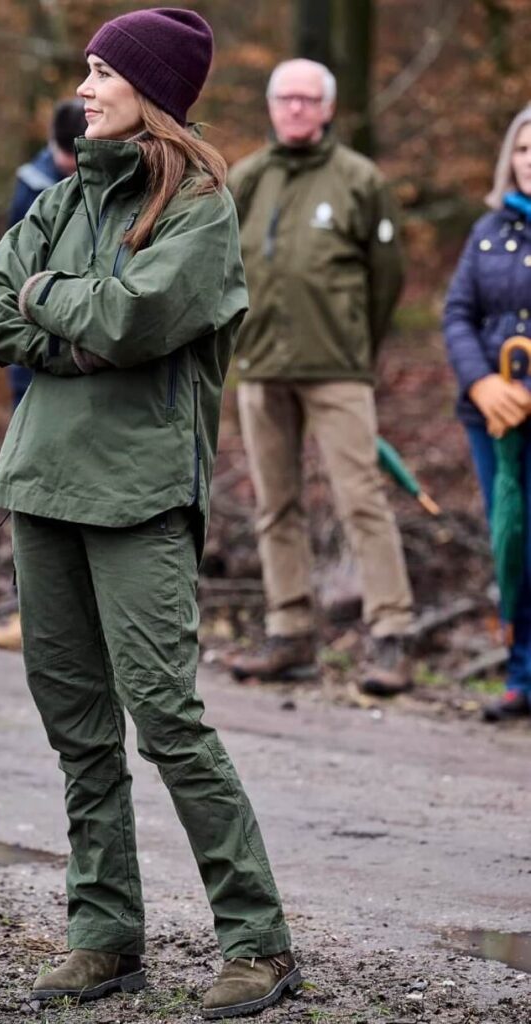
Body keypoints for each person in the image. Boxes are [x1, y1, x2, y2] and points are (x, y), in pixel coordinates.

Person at [0, 9, 299, 1019]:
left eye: (103, 70)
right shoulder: (66, 193)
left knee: (165, 719)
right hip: (41, 484)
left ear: (149, 90)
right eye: (88, 67)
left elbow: (138, 315)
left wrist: (54, 306)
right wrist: (72, 319)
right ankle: (105, 935)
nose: (86, 84)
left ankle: (257, 941)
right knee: (76, 726)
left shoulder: (199, 209)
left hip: (140, 492)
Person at [227, 58, 415, 696]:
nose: (298, 109)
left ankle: (391, 634)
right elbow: (223, 268)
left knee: (360, 498)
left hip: (337, 369)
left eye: (310, 99)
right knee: (274, 505)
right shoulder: (247, 178)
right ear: (273, 106)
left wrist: (358, 344)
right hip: (261, 366)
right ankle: (290, 631)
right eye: (287, 99)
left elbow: (387, 278)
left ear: (329, 108)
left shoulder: (359, 180)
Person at [0, 98, 86, 654]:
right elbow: (11, 279)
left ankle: (68, 614)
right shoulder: (32, 187)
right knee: (31, 493)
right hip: (35, 363)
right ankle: (32, 608)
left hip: (87, 359)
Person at [443, 105, 531, 722]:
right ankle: (521, 675)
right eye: (523, 149)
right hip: (492, 419)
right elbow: (457, 315)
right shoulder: (488, 230)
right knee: (512, 539)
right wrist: (480, 385)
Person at [5, 98, 87, 410]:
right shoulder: (32, 183)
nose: (68, 162)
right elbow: (15, 251)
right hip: (34, 307)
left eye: (73, 155)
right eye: (63, 154)